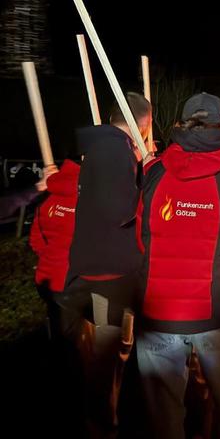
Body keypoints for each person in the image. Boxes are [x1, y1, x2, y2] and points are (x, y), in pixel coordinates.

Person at [136, 92, 220, 438]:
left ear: (181, 125)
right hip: (216, 314)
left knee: (162, 415)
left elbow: (136, 238)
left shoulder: (152, 172)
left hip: (159, 313)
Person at [61, 91, 152, 435]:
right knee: (107, 356)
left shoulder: (101, 147)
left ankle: (97, 416)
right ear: (144, 125)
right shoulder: (116, 152)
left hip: (92, 264)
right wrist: (145, 180)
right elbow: (119, 210)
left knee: (100, 356)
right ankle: (102, 426)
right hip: (108, 275)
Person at [29, 159, 81, 330]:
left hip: (47, 278)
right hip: (73, 282)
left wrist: (51, 257)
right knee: (75, 334)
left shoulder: (47, 196)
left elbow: (36, 240)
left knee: (57, 324)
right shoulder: (90, 196)